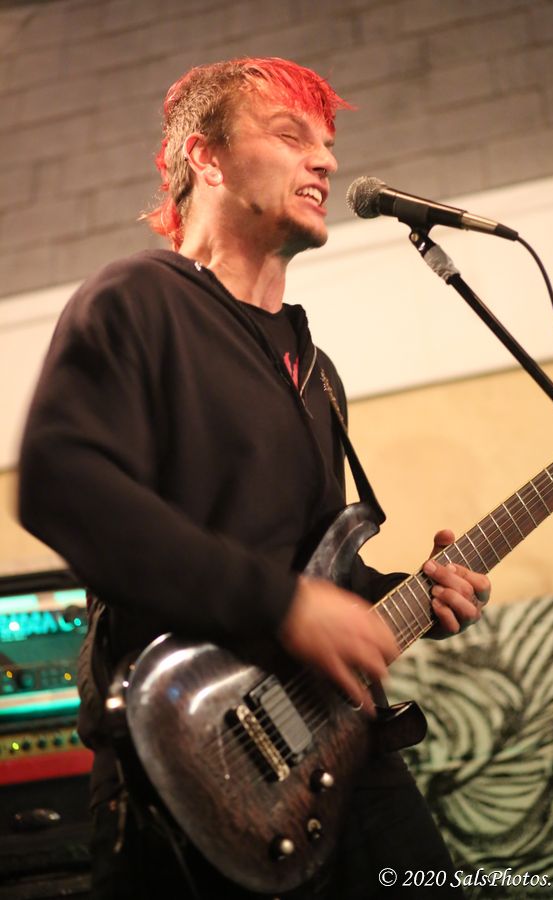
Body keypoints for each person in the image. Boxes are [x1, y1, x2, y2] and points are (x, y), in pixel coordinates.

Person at [18, 58, 490, 899]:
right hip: (190, 767)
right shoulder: (137, 299)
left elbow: (313, 570)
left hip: (338, 754)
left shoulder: (317, 371)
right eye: (290, 135)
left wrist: (412, 594)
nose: (327, 161)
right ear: (207, 158)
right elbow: (61, 484)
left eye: (329, 143)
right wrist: (284, 606)